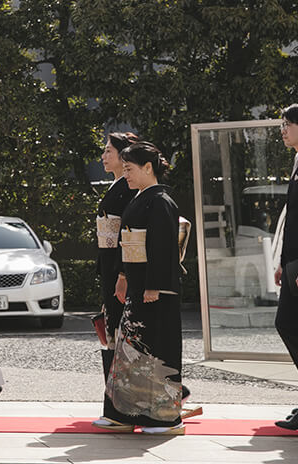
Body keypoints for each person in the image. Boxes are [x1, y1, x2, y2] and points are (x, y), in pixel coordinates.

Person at [105, 142, 184, 434]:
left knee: (157, 351)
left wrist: (155, 285)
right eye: (124, 169)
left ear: (148, 168)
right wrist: (123, 274)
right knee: (132, 349)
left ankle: (166, 417)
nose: (125, 174)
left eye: (129, 169)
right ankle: (128, 413)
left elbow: (163, 248)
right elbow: (127, 242)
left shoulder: (161, 200)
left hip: (154, 290)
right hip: (139, 284)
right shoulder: (140, 198)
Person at [92, 131, 140, 429]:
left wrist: (122, 273)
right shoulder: (117, 185)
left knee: (122, 337)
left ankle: (122, 408)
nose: (103, 155)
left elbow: (128, 234)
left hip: (118, 269)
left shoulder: (127, 188)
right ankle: (118, 405)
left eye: (109, 150)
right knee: (112, 336)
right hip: (110, 268)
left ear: (124, 155)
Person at [274, 103, 298, 431]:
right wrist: (285, 264)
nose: (283, 130)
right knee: (290, 326)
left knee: (287, 324)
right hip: (294, 265)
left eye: (288, 124)